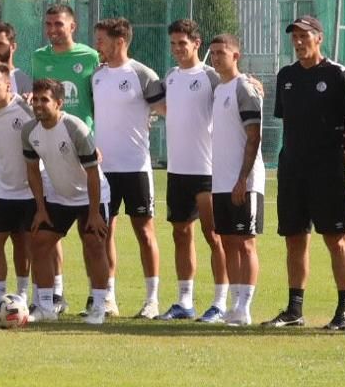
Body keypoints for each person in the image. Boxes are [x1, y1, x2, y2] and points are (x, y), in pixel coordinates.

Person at [267, 15, 345, 329]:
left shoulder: (337, 74)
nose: (298, 42)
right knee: (294, 239)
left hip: (326, 171)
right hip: (292, 169)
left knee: (336, 238)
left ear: (319, 38)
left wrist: (337, 156)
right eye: (294, 36)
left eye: (304, 36)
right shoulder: (286, 75)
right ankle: (295, 310)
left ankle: (344, 309)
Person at [90, 17, 165, 318]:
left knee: (145, 232)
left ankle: (152, 300)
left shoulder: (143, 74)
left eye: (102, 40)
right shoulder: (96, 75)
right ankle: (108, 297)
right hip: (103, 170)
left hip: (135, 167)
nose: (97, 45)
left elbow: (167, 109)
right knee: (104, 231)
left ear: (119, 41)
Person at [22, 78, 111, 322]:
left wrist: (94, 213)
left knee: (94, 244)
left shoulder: (75, 128)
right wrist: (41, 209)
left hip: (91, 195)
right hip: (58, 195)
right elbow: (32, 171)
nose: (38, 104)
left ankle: (99, 308)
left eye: (45, 100)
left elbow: (92, 173)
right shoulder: (29, 131)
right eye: (35, 99)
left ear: (59, 103)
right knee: (40, 244)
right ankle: (46, 307)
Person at [157, 19, 227, 321]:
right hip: (177, 170)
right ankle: (185, 301)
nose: (177, 49)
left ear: (196, 44)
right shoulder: (171, 77)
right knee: (181, 233)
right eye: (173, 43)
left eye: (182, 43)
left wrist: (252, 83)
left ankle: (220, 303)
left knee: (214, 235)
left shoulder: (211, 76)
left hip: (206, 170)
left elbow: (234, 88)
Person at [207, 35, 265, 327]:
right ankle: (235, 303)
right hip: (220, 180)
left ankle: (245, 306)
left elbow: (254, 136)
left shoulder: (244, 87)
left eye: (222, 52)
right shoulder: (219, 89)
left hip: (245, 181)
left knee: (246, 243)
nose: (216, 57)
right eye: (213, 53)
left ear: (236, 55)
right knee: (228, 241)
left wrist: (243, 178)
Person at [0, 58, 40, 315]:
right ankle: (0, 299)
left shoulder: (26, 109)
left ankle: (28, 297)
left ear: (8, 86)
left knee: (28, 244)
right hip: (4, 189)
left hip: (32, 190)